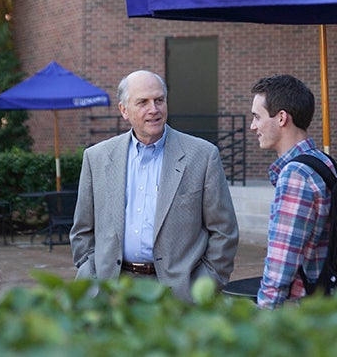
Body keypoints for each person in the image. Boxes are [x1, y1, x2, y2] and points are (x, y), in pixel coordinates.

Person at [69, 70, 239, 302]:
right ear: (124, 110)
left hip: (178, 293)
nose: (154, 109)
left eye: (159, 100)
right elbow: (82, 230)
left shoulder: (202, 155)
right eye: (143, 102)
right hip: (111, 290)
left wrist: (206, 284)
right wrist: (91, 272)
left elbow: (224, 231)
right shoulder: (96, 157)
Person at [250, 74, 337, 309]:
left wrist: (264, 313)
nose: (253, 126)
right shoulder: (322, 161)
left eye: (257, 117)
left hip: (301, 308)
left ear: (281, 118)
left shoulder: (296, 174)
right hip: (327, 298)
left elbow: (282, 262)